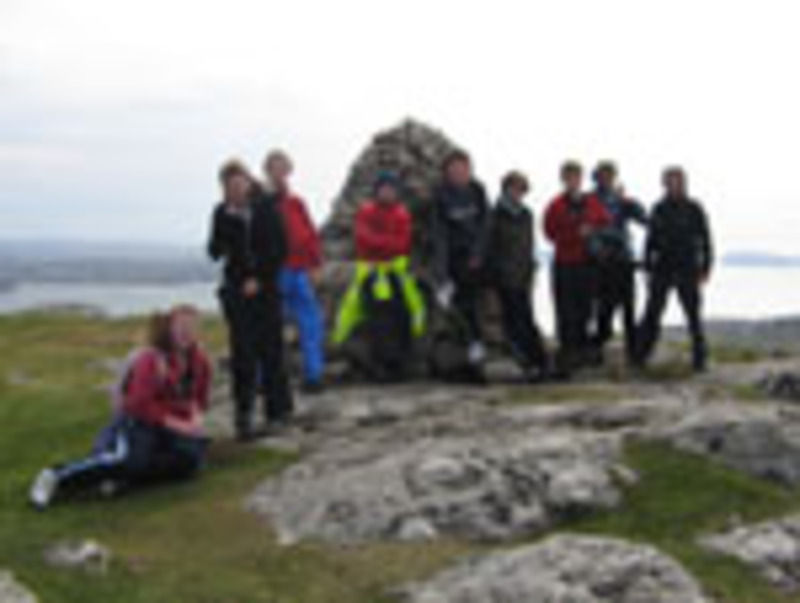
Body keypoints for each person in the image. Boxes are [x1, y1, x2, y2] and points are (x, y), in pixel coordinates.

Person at [29, 306, 213, 510]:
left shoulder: (200, 360)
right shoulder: (151, 359)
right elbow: (138, 405)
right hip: (138, 421)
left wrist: (195, 420)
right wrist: (178, 425)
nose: (186, 332)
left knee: (190, 463)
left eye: (192, 326)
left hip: (171, 426)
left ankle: (122, 478)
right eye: (181, 326)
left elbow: (199, 400)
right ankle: (55, 476)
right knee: (130, 461)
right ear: (169, 328)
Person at [208, 160, 293, 442]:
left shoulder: (265, 208)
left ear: (248, 182)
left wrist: (260, 278)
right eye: (229, 185)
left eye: (239, 183)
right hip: (236, 290)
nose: (235, 190)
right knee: (242, 353)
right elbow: (214, 249)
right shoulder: (221, 212)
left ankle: (278, 412)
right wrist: (222, 241)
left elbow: (280, 249)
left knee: (271, 350)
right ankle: (243, 416)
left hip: (266, 290)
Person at [333, 172, 425, 382]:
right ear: (377, 191)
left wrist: (381, 243)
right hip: (372, 274)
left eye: (391, 189)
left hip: (396, 273)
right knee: (378, 319)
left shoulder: (402, 214)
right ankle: (382, 367)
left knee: (401, 316)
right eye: (384, 188)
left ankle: (400, 366)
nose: (388, 192)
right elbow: (363, 239)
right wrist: (388, 243)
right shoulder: (366, 213)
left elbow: (403, 244)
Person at [634, 167, 714, 372]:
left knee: (693, 315)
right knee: (652, 314)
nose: (673, 186)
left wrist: (706, 267)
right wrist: (647, 267)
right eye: (669, 182)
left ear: (684, 183)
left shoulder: (694, 208)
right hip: (663, 267)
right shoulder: (659, 208)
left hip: (688, 267)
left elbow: (706, 239)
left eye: (677, 182)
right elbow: (650, 241)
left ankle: (700, 358)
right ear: (664, 184)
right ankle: (640, 356)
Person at [263, 150, 326, 394]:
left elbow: (309, 234)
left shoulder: (296, 203)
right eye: (275, 168)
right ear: (268, 170)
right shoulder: (261, 201)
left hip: (298, 271)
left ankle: (313, 376)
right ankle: (266, 378)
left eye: (284, 168)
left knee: (311, 324)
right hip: (273, 272)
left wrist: (315, 264)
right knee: (270, 325)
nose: (280, 173)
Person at [544, 161, 612, 373]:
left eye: (576, 177)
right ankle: (567, 352)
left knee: (585, 310)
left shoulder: (591, 202)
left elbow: (605, 223)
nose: (572, 181)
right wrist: (573, 233)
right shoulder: (555, 205)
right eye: (568, 177)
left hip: (587, 263)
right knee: (565, 311)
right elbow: (549, 233)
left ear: (581, 179)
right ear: (563, 180)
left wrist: (592, 231)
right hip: (564, 263)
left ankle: (581, 351)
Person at [430, 150, 491, 382]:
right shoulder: (440, 196)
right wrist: (442, 273)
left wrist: (478, 254)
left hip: (477, 260)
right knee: (457, 310)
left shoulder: (478, 191)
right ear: (446, 173)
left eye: (462, 169)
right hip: (454, 260)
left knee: (474, 306)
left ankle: (477, 355)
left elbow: (486, 225)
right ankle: (466, 359)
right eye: (453, 170)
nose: (458, 174)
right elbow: (439, 235)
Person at [487, 171, 550, 381]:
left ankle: (538, 362)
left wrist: (530, 270)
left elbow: (528, 245)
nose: (518, 193)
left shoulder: (526, 214)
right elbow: (491, 246)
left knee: (526, 320)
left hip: (523, 275)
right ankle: (526, 362)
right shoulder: (495, 215)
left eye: (521, 189)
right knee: (512, 322)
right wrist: (496, 273)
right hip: (504, 276)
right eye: (514, 188)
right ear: (505, 189)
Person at [590, 161, 649, 362]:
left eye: (610, 175)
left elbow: (644, 218)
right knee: (604, 310)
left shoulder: (623, 200)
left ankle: (633, 353)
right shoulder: (590, 200)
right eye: (603, 175)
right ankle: (601, 352)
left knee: (628, 308)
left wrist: (628, 201)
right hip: (602, 261)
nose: (607, 179)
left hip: (624, 259)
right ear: (596, 178)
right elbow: (590, 230)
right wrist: (598, 251)